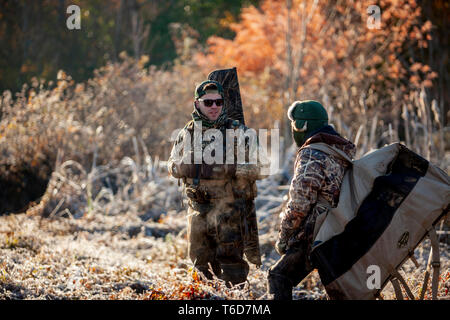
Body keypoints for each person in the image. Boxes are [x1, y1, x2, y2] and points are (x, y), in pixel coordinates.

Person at [167, 80, 268, 286]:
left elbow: (262, 168)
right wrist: (183, 167)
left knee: (232, 268)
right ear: (197, 104)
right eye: (208, 102)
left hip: (230, 211)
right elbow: (171, 165)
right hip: (198, 210)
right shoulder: (187, 133)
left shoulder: (239, 132)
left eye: (218, 102)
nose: (214, 106)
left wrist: (229, 169)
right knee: (200, 266)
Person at [267, 100, 356, 299]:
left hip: (317, 234)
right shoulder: (340, 149)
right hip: (342, 228)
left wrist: (284, 238)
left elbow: (299, 204)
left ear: (302, 126)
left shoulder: (312, 153)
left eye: (294, 124)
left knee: (278, 277)